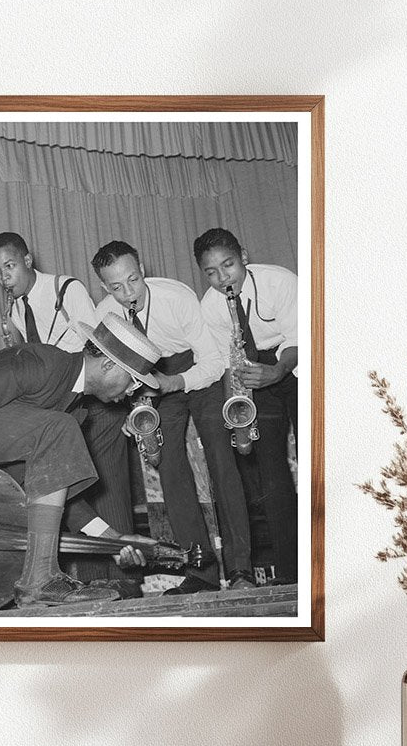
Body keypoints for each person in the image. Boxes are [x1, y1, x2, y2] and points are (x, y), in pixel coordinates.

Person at [0, 313, 164, 608]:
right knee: (58, 429)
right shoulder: (44, 364)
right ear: (108, 365)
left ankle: (40, 577)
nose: (132, 392)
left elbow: (50, 489)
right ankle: (39, 580)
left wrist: (112, 539)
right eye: (132, 381)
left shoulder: (74, 408)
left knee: (58, 431)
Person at [91, 240, 254, 594]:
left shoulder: (176, 297)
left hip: (196, 371)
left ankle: (242, 571)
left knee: (221, 460)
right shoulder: (106, 314)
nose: (128, 293)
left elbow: (211, 361)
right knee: (171, 471)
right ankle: (201, 573)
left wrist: (174, 382)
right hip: (153, 381)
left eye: (133, 280)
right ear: (104, 286)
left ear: (143, 270)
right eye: (116, 287)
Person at [0, 232, 132, 579]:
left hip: (93, 403)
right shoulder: (17, 307)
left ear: (28, 260)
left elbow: (95, 348)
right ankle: (93, 581)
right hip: (61, 410)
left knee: (108, 492)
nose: (3, 277)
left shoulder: (67, 290)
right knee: (71, 494)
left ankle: (128, 581)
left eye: (8, 266)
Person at [195, 227, 298, 584]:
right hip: (253, 373)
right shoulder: (210, 307)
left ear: (244, 255)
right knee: (272, 476)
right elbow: (229, 361)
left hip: (297, 364)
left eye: (229, 265)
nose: (223, 278)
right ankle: (290, 575)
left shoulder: (279, 282)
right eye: (211, 272)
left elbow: (302, 337)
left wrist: (279, 370)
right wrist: (237, 416)